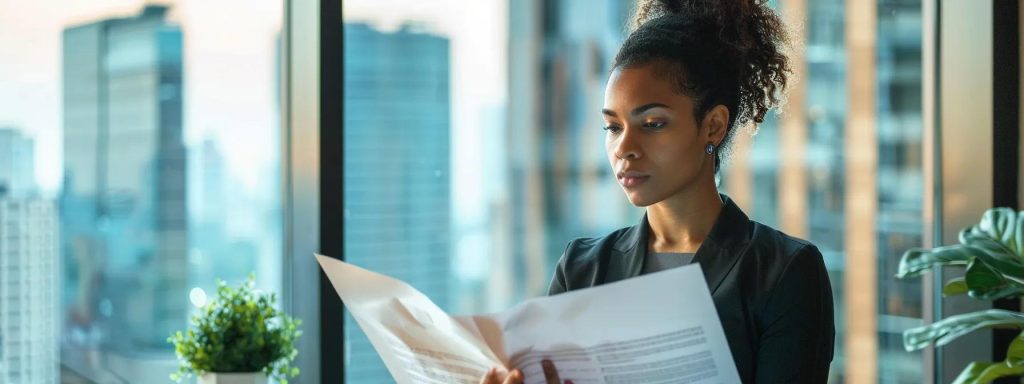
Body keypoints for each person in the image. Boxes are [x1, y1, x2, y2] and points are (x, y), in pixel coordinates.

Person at [481, 0, 835, 382]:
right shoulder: (581, 270)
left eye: (651, 123)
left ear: (713, 126)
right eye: (613, 127)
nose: (624, 148)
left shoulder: (784, 272)